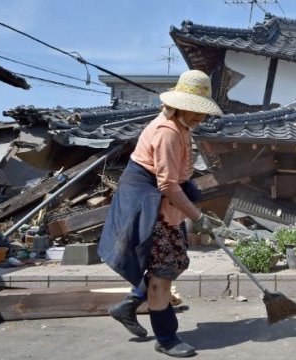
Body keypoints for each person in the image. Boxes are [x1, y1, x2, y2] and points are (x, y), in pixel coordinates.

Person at [98, 69, 222, 358]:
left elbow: (175, 178)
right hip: (147, 200)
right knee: (163, 272)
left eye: (201, 111)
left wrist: (191, 203)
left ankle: (128, 306)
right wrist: (196, 216)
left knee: (172, 261)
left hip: (161, 196)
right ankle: (166, 338)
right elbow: (166, 183)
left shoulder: (181, 128)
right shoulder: (166, 133)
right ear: (178, 105)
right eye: (192, 110)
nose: (198, 116)